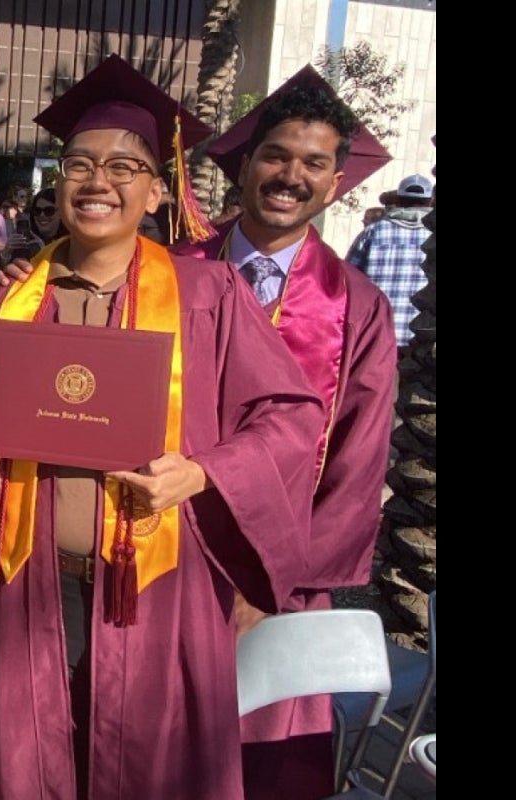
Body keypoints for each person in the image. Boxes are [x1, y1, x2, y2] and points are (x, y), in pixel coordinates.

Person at [0, 53, 325, 799]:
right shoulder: (5, 302)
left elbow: (291, 415)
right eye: (79, 163)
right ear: (57, 183)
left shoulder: (207, 293)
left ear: (159, 188)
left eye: (124, 166)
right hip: (34, 589)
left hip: (157, 591)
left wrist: (202, 471)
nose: (98, 181)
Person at [184, 64, 399, 800]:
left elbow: (358, 461)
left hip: (276, 576)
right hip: (156, 551)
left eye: (315, 163)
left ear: (338, 182)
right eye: (277, 155)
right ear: (245, 165)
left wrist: (276, 582)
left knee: (259, 758)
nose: (291, 175)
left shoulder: (358, 306)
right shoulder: (167, 273)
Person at [346, 173, 433, 350]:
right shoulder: (433, 236)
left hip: (376, 335)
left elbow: (347, 281)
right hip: (423, 336)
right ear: (430, 201)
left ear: (399, 199)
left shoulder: (373, 232)